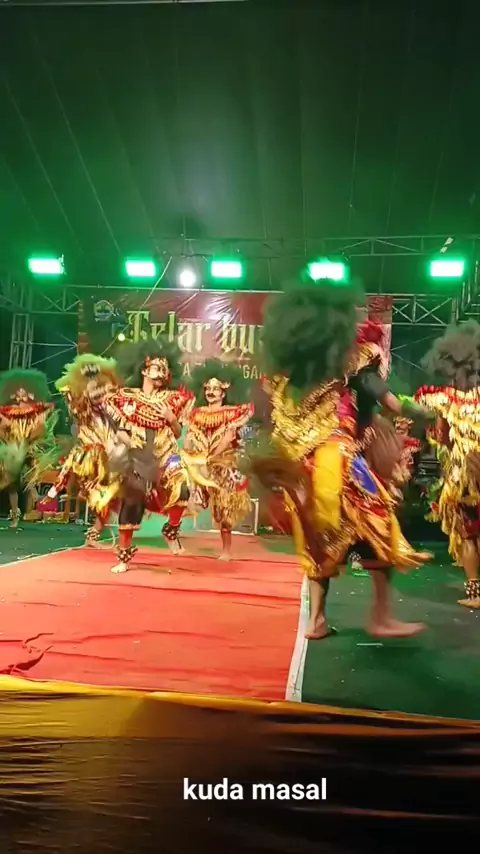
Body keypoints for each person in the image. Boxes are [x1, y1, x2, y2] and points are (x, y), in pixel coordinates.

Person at [254, 283, 434, 640]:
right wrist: (420, 411)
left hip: (302, 471)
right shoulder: (352, 362)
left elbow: (272, 425)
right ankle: (380, 618)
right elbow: (390, 401)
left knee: (318, 540)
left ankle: (316, 621)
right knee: (378, 522)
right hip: (340, 462)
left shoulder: (287, 377)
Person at [102, 337, 198, 573]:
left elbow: (177, 433)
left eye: (165, 369)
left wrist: (171, 418)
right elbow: (118, 429)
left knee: (182, 486)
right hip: (138, 458)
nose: (161, 372)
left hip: (166, 454)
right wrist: (126, 443)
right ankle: (124, 558)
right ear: (144, 370)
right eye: (156, 367)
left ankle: (171, 528)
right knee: (131, 504)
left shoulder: (172, 399)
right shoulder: (126, 398)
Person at [415, 320, 480, 608]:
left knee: (468, 535)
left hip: (463, 477)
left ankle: (475, 593)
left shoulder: (445, 400)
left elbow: (441, 437)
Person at [44, 353, 121, 547]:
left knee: (111, 500)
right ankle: (81, 501)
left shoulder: (107, 409)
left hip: (110, 456)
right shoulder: (80, 408)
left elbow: (110, 398)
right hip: (90, 458)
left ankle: (93, 535)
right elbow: (69, 391)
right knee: (103, 497)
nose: (97, 391)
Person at [183, 359, 254, 560]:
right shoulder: (197, 414)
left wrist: (212, 456)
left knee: (224, 509)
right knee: (183, 492)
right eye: (208, 388)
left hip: (223, 463)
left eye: (216, 389)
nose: (211, 392)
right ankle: (173, 538)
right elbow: (190, 437)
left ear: (223, 392)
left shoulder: (232, 413)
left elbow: (228, 437)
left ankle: (226, 551)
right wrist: (187, 454)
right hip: (201, 463)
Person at [0, 369, 55, 527]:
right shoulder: (8, 410)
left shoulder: (35, 408)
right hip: (13, 446)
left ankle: (33, 497)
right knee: (11, 484)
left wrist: (38, 419)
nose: (20, 395)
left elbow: (49, 407)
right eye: (18, 392)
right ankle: (15, 513)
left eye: (23, 392)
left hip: (28, 445)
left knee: (27, 475)